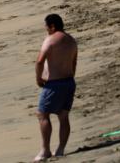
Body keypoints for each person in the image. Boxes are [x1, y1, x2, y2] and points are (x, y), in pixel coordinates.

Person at [34, 14, 78, 162]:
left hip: (54, 83)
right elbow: (74, 63)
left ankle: (45, 150)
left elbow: (40, 61)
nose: (46, 30)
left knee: (42, 114)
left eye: (46, 27)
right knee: (63, 116)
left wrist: (39, 78)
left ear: (52, 26)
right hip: (69, 81)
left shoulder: (51, 40)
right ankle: (60, 149)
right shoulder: (71, 40)